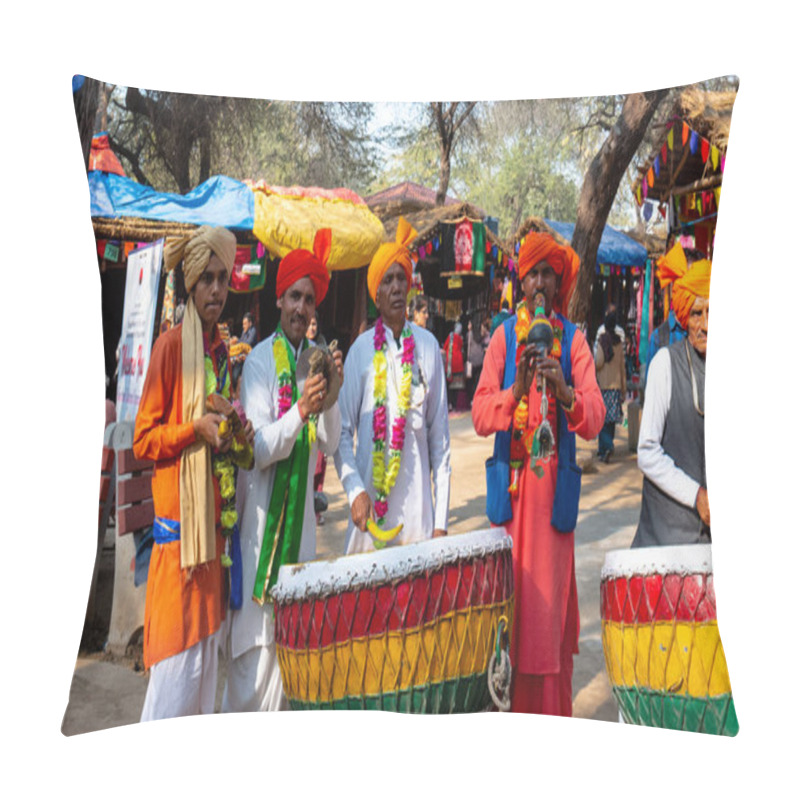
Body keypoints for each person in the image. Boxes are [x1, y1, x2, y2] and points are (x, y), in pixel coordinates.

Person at [472, 232, 605, 717]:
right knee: (509, 624)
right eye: (533, 274)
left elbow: (595, 416)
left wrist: (565, 392)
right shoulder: (506, 338)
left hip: (552, 518)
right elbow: (483, 415)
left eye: (550, 273)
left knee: (547, 626)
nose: (541, 283)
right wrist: (517, 389)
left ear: (558, 280)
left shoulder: (573, 340)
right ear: (521, 280)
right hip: (511, 510)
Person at [133, 225, 254, 721]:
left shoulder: (223, 354)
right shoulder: (169, 348)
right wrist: (194, 429)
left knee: (203, 695)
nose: (218, 291)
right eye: (207, 279)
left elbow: (227, 449)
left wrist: (235, 431)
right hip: (179, 551)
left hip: (213, 552)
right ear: (190, 286)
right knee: (172, 692)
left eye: (224, 279)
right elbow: (143, 440)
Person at [220, 229, 342, 713]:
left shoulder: (311, 362)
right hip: (260, 537)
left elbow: (329, 444)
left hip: (301, 542)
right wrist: (301, 412)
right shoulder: (259, 364)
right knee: (252, 675)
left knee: (289, 672)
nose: (301, 307)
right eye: (295, 296)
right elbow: (259, 448)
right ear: (279, 299)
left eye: (309, 300)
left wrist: (327, 396)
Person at [335, 216, 451, 554]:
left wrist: (441, 523)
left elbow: (440, 441)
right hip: (369, 520)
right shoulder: (359, 351)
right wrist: (355, 489)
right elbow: (342, 432)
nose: (396, 287)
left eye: (402, 278)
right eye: (387, 280)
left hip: (420, 522)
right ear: (377, 293)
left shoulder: (429, 347)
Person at [632, 251, 712, 548]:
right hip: (668, 538)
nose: (705, 324)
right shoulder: (665, 362)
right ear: (684, 316)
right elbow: (647, 451)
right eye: (696, 314)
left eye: (713, 313)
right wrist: (696, 495)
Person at [594, 305, 627, 463]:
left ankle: (605, 448)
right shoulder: (619, 343)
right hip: (615, 386)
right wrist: (624, 388)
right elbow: (622, 365)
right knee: (612, 419)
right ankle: (607, 446)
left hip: (603, 385)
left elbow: (598, 362)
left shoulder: (601, 340)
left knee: (602, 418)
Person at [466, 315, 489, 406]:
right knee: (478, 380)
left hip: (472, 360)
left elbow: (468, 344)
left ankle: (471, 398)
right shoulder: (481, 334)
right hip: (480, 359)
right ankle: (477, 397)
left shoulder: (470, 334)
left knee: (470, 381)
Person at [443, 321, 466, 411]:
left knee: (449, 384)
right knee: (456, 385)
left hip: (450, 362)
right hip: (458, 363)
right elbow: (461, 347)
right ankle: (454, 404)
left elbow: (445, 347)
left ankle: (449, 404)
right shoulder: (460, 339)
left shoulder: (450, 336)